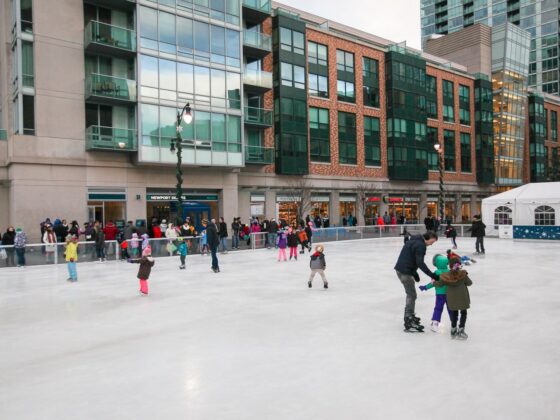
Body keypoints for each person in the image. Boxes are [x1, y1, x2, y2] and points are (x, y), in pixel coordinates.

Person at [394, 231, 439, 332]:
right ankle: (408, 320)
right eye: (432, 242)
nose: (431, 244)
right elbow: (420, 262)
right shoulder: (421, 245)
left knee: (411, 295)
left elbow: (410, 257)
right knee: (411, 295)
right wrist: (432, 275)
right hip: (405, 273)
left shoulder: (413, 240)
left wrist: (414, 273)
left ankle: (410, 316)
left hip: (401, 270)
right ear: (428, 237)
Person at [431, 257, 473, 339]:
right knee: (463, 313)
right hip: (463, 297)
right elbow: (469, 283)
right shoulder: (463, 274)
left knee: (454, 313)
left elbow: (439, 284)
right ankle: (461, 329)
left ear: (449, 266)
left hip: (452, 298)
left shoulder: (446, 276)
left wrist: (433, 283)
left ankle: (453, 330)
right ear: (459, 265)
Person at [419, 254, 450, 332]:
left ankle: (435, 323)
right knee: (451, 308)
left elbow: (432, 283)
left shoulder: (436, 273)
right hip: (450, 294)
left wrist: (425, 287)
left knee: (438, 308)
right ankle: (454, 323)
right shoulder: (450, 272)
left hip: (440, 294)